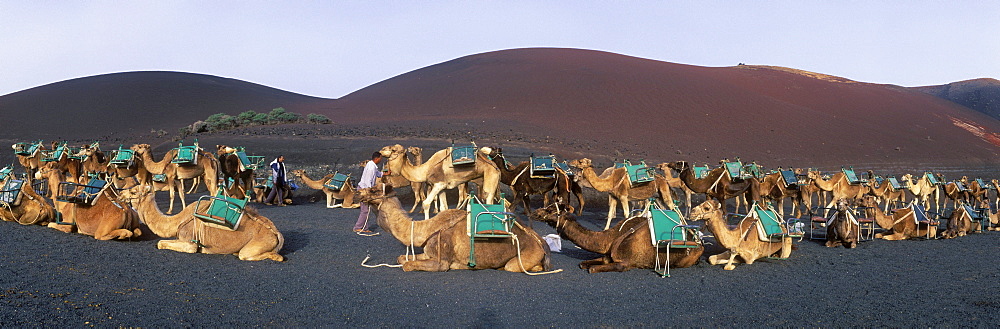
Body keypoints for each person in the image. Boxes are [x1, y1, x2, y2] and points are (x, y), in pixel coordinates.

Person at [354, 152, 385, 235]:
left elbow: (377, 173)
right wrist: (369, 194)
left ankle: (360, 227)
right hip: (364, 190)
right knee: (365, 211)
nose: (381, 160)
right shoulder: (371, 167)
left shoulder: (372, 165)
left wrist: (384, 174)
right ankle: (360, 228)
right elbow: (368, 181)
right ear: (377, 158)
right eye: (381, 158)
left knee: (365, 210)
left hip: (363, 189)